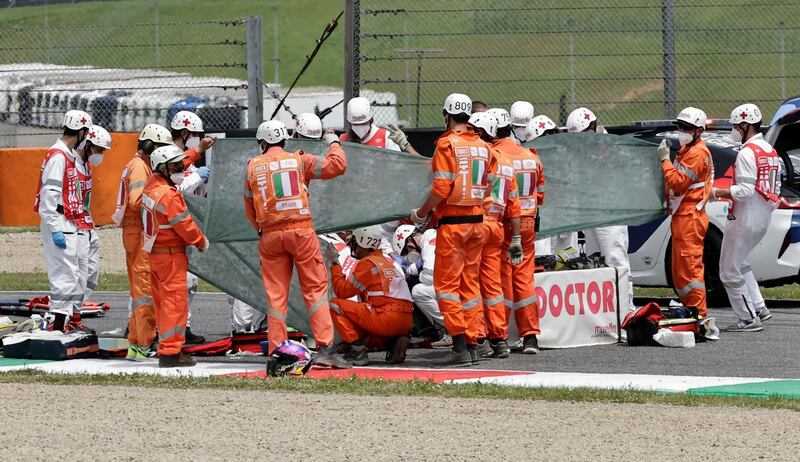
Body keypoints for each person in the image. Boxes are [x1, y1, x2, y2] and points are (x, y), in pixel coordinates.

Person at [243, 120, 349, 368]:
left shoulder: (252, 167)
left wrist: (261, 230)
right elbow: (338, 166)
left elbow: (249, 207)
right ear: (284, 140)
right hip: (301, 232)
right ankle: (325, 348)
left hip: (269, 235)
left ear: (262, 143)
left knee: (276, 297)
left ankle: (278, 349)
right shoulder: (300, 160)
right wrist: (333, 140)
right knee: (315, 291)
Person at [410, 93, 493, 367]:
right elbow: (488, 186)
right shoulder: (483, 146)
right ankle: (471, 344)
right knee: (470, 285)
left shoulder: (446, 145)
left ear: (446, 115)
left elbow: (441, 189)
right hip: (477, 223)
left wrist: (422, 213)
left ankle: (458, 345)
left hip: (454, 225)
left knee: (446, 286)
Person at [141, 145, 210, 368]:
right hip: (171, 256)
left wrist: (196, 151)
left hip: (156, 255)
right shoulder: (169, 195)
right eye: (175, 166)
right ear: (161, 168)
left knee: (163, 304)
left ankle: (166, 345)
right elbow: (185, 225)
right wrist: (201, 241)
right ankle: (171, 352)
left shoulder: (151, 187)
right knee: (175, 304)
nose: (180, 168)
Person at [714, 104, 780, 332]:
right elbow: (775, 186)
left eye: (735, 126)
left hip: (745, 216)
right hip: (763, 216)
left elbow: (745, 190)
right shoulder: (770, 150)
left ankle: (748, 318)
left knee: (728, 270)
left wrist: (716, 192)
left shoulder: (746, 152)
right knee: (740, 262)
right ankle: (759, 307)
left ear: (745, 125)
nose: (733, 130)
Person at [112, 123, 173, 361]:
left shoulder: (137, 165)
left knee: (140, 293)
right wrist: (162, 196)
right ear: (150, 146)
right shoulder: (140, 168)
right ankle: (145, 343)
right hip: (139, 233)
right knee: (146, 291)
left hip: (134, 233)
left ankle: (137, 344)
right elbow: (137, 201)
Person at [567, 107, 634, 309]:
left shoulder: (611, 145)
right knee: (595, 261)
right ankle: (605, 309)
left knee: (615, 257)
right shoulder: (586, 147)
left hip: (610, 211)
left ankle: (626, 307)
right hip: (591, 211)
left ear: (593, 128)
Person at [34, 110, 93, 333]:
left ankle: (62, 323)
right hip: (59, 220)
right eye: (85, 133)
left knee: (72, 274)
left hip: (66, 220)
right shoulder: (58, 156)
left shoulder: (64, 154)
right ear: (80, 132)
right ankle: (57, 326)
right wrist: (56, 228)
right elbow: (49, 195)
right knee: (64, 276)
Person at [325, 225, 414, 366]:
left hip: (386, 316)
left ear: (362, 241)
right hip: (406, 320)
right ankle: (393, 341)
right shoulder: (388, 262)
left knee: (335, 304)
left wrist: (334, 263)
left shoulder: (368, 264)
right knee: (369, 335)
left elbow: (343, 291)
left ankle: (357, 352)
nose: (352, 245)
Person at [472, 110, 523, 358]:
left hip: (475, 225)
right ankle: (499, 340)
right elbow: (514, 204)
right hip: (498, 228)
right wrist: (515, 237)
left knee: (470, 284)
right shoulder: (505, 162)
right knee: (493, 288)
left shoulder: (478, 157)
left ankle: (478, 337)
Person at [492, 108, 543, 354]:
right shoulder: (532, 156)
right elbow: (540, 193)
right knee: (525, 279)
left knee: (502, 280)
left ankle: (500, 336)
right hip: (528, 223)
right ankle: (530, 336)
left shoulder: (496, 155)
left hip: (504, 223)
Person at [657, 107, 713, 320]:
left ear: (698, 131)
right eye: (680, 126)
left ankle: (699, 316)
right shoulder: (688, 151)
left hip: (690, 218)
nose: (681, 131)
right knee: (680, 273)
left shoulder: (697, 153)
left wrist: (665, 161)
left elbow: (679, 183)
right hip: (683, 217)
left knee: (690, 271)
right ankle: (690, 312)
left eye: (686, 128)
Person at [169, 110, 215, 344]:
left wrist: (205, 183)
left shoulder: (186, 158)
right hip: (173, 229)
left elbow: (195, 193)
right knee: (181, 282)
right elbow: (174, 192)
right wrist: (198, 176)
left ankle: (182, 326)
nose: (199, 139)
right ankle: (174, 328)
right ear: (185, 133)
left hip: (189, 227)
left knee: (190, 282)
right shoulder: (169, 156)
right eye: (196, 135)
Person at [75, 125, 112, 304]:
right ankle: (72, 309)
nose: (101, 154)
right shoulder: (71, 163)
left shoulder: (87, 166)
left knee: (92, 272)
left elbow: (85, 198)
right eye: (99, 150)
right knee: (80, 271)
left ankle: (79, 304)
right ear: (88, 145)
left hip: (88, 223)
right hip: (76, 226)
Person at [340, 96, 419, 155]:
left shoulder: (386, 137)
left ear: (371, 120)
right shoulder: (343, 140)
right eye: (356, 124)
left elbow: (396, 167)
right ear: (349, 123)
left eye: (364, 123)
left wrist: (405, 144)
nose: (360, 128)